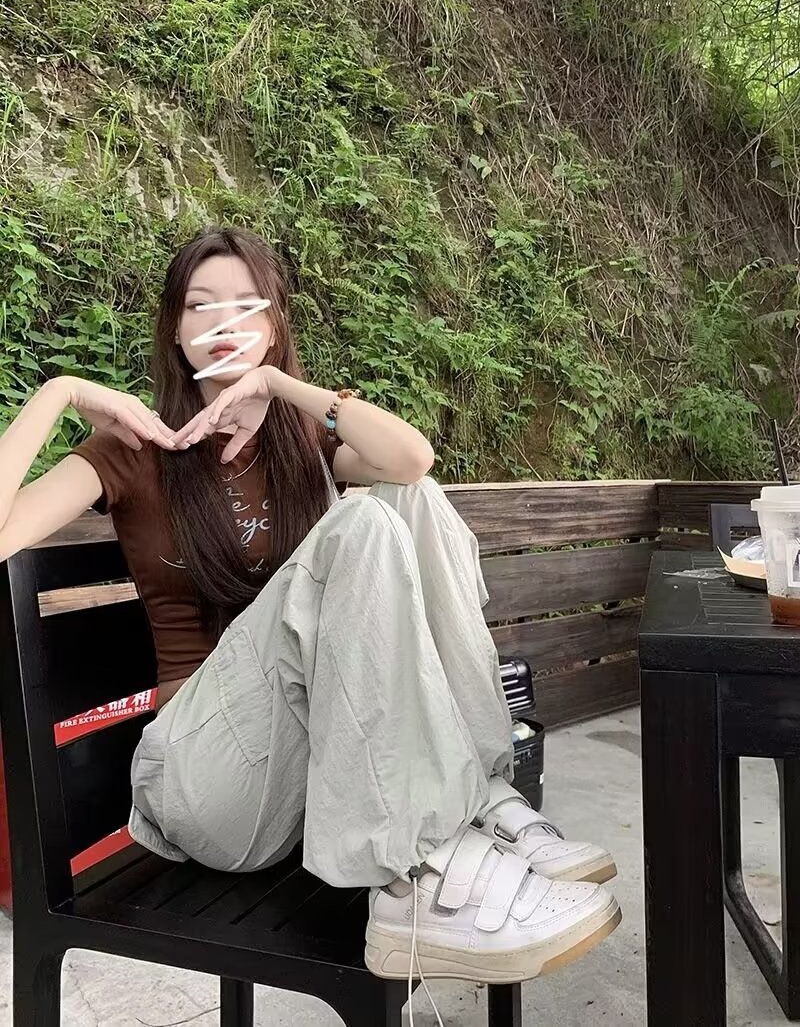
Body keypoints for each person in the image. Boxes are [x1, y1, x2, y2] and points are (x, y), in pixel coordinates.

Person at [0, 225, 620, 1002]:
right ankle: (414, 875)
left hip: (301, 773)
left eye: (246, 305)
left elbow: (412, 459)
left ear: (274, 325)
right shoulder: (132, 447)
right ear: (175, 328)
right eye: (201, 305)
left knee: (409, 498)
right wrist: (59, 393)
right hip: (206, 783)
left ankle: (479, 798)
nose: (223, 323)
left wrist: (283, 389)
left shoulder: (299, 441)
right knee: (361, 522)